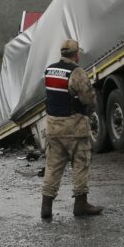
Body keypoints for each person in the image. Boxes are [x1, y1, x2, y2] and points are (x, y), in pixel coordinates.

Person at [39, 39, 101, 219]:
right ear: (76, 55)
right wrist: (89, 109)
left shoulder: (49, 70)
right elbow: (87, 98)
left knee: (53, 167)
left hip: (53, 127)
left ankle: (46, 206)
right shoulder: (76, 72)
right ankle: (80, 204)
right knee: (81, 164)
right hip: (74, 127)